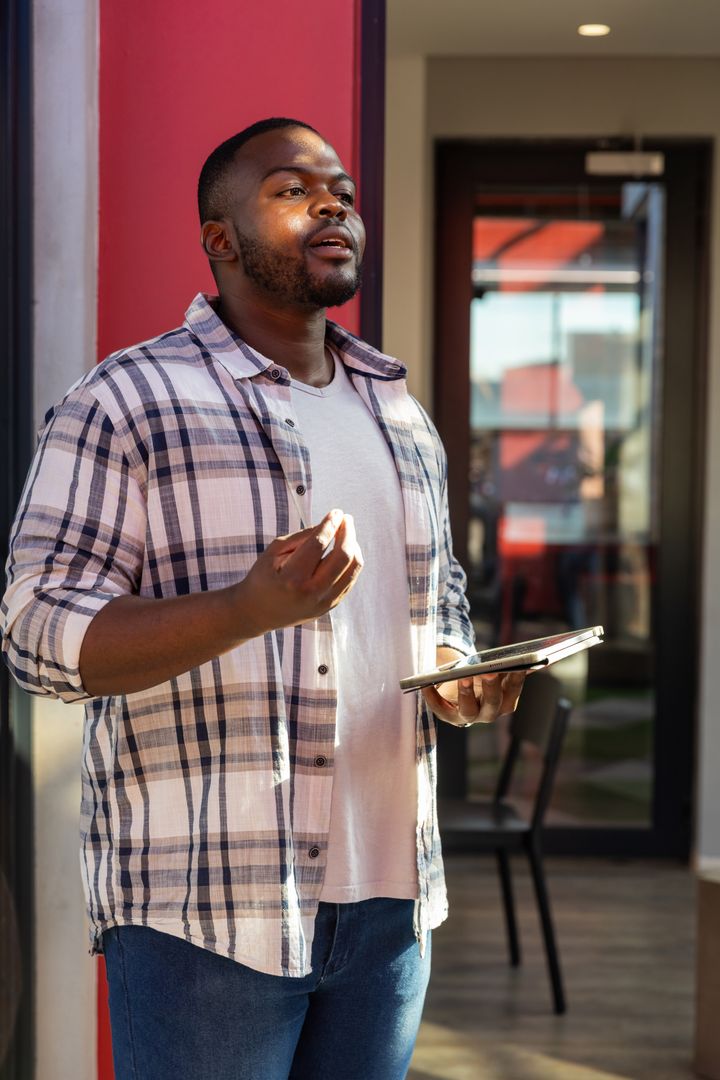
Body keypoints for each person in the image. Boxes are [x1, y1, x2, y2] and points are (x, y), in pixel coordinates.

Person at [1, 117, 524, 1080]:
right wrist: (244, 608)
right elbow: (38, 635)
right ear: (219, 238)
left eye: (343, 193)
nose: (334, 205)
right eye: (293, 189)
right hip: (206, 903)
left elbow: (434, 607)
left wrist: (458, 674)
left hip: (392, 899)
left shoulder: (400, 414)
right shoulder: (124, 402)